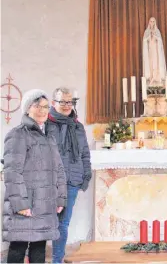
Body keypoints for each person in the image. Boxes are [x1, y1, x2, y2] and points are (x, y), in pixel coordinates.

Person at [3, 89, 67, 263]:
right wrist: (20, 204)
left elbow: (59, 171)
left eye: (46, 106)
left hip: (46, 204)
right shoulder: (17, 135)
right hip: (27, 204)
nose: (42, 110)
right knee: (18, 248)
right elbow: (12, 172)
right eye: (37, 106)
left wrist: (60, 198)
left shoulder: (49, 139)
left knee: (39, 249)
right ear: (27, 109)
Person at [46, 87, 91, 264]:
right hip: (49, 181)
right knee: (42, 223)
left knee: (62, 224)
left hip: (72, 180)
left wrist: (86, 175)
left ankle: (57, 260)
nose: (67, 106)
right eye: (62, 102)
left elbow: (85, 153)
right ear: (53, 103)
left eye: (70, 102)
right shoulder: (45, 124)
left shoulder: (78, 126)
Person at [143, 17, 167, 86]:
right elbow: (144, 42)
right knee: (150, 65)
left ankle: (157, 80)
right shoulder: (146, 32)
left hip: (156, 52)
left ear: (155, 23)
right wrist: (149, 36)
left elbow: (160, 41)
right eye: (151, 21)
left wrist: (156, 37)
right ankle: (151, 80)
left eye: (153, 21)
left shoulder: (157, 31)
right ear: (149, 22)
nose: (152, 23)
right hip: (150, 52)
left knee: (156, 65)